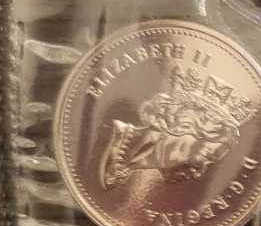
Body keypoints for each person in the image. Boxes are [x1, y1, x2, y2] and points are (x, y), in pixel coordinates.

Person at [101, 66, 251, 189]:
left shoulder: (125, 169)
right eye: (205, 157)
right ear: (184, 125)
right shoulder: (105, 140)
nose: (199, 174)